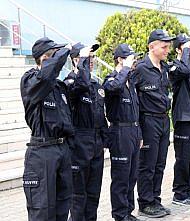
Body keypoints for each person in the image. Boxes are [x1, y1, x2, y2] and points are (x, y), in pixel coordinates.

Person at [20, 37, 73, 221]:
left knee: (62, 206)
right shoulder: (30, 80)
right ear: (43, 58)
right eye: (53, 55)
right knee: (42, 211)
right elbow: (45, 75)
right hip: (42, 153)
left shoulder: (58, 87)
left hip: (61, 150)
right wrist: (64, 51)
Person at [64, 43, 107, 221]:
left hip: (96, 142)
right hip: (79, 142)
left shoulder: (96, 84)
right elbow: (81, 83)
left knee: (93, 192)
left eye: (92, 57)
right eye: (87, 57)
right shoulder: (71, 82)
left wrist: (105, 140)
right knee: (78, 195)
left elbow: (100, 114)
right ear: (75, 60)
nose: (92, 60)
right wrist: (82, 60)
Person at [135, 29, 175, 218]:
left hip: (163, 119)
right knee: (148, 164)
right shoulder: (140, 68)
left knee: (160, 164)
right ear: (152, 46)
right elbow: (133, 99)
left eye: (169, 46)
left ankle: (155, 200)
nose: (168, 49)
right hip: (148, 120)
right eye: (164, 46)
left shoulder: (164, 68)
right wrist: (138, 130)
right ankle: (145, 203)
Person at [103, 43, 142, 221]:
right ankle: (119, 214)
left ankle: (128, 211)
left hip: (133, 130)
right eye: (129, 58)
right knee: (121, 176)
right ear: (120, 59)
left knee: (132, 175)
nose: (133, 62)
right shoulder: (111, 80)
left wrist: (139, 133)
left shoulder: (131, 81)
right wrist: (125, 68)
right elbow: (115, 88)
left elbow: (136, 110)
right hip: (120, 132)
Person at [169, 34, 190, 206]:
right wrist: (186, 52)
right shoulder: (174, 67)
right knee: (183, 157)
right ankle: (179, 193)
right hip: (183, 118)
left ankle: (188, 189)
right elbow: (183, 71)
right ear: (178, 49)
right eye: (186, 46)